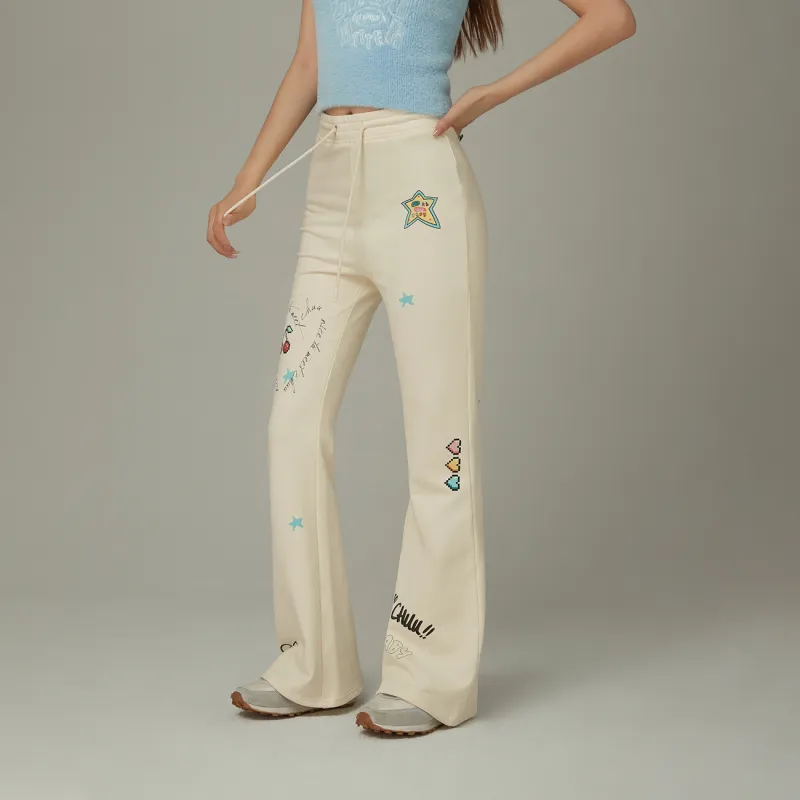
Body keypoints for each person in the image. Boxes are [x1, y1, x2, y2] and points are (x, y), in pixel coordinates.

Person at [209, 0, 636, 736]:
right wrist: (248, 177)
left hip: (420, 189)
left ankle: (431, 678)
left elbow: (611, 17)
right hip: (330, 182)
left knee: (442, 446)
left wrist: (492, 93)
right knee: (291, 427)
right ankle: (312, 664)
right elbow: (310, 62)